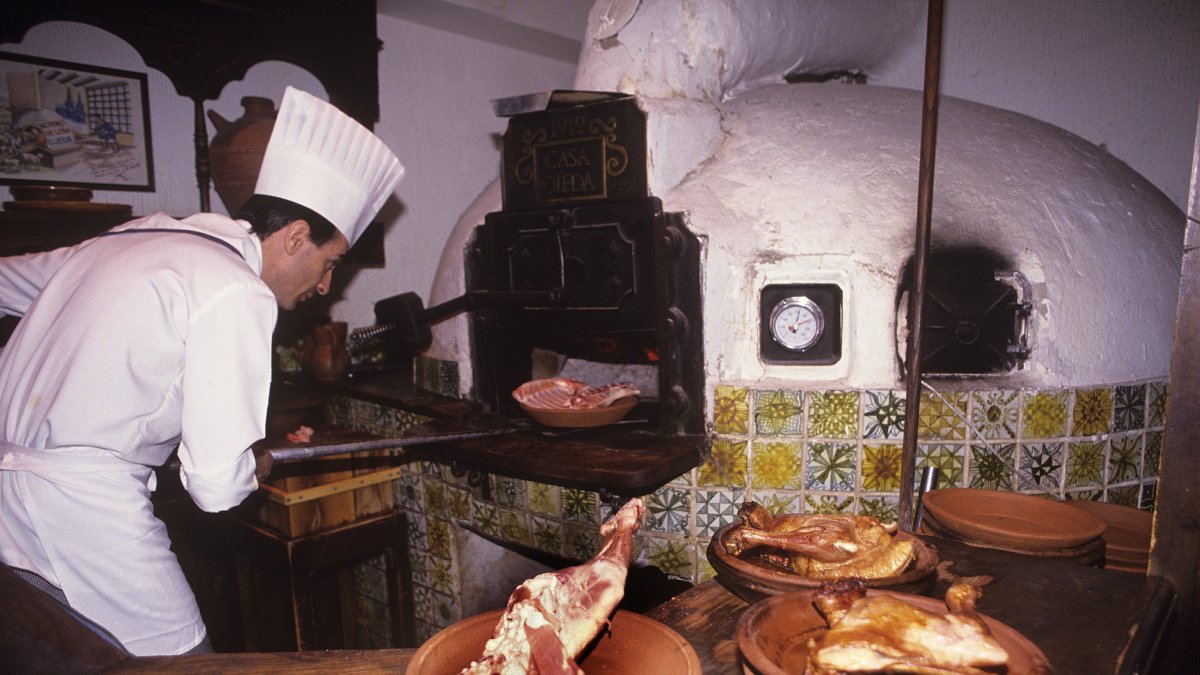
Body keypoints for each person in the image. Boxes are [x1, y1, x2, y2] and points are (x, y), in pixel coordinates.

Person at [0, 87, 404, 656]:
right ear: (293, 238)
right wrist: (254, 460)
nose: (324, 287)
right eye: (329, 262)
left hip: (7, 492)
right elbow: (216, 487)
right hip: (87, 510)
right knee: (188, 664)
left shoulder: (133, 236)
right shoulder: (236, 289)